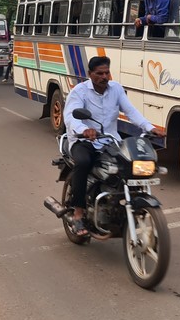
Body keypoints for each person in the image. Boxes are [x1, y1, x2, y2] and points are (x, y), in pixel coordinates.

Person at [63, 56, 165, 236]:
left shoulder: (116, 89)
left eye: (106, 72)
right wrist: (84, 129)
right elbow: (70, 116)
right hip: (84, 141)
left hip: (110, 140)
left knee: (126, 166)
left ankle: (119, 203)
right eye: (99, 73)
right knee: (83, 163)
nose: (104, 76)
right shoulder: (79, 92)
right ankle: (78, 213)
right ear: (90, 74)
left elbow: (131, 111)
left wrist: (149, 128)